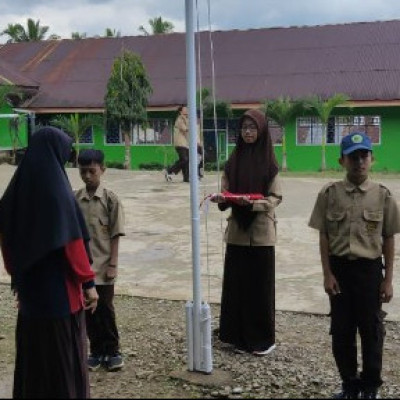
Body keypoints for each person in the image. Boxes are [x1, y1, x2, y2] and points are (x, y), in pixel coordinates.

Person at [0, 126, 99, 399]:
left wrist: (18, 274)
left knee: (35, 357)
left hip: (31, 296)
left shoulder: (14, 193)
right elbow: (73, 245)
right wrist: (89, 283)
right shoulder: (58, 193)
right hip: (60, 296)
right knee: (60, 358)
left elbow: (6, 244)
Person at [308, 132, 400, 399]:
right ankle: (349, 385)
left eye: (364, 156)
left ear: (372, 159)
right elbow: (324, 235)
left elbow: (389, 238)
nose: (359, 161)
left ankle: (371, 387)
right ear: (342, 161)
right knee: (341, 330)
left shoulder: (383, 196)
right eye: (353, 157)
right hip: (339, 272)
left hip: (369, 272)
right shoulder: (329, 194)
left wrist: (388, 279)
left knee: (371, 332)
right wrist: (327, 274)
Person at [211, 109, 282, 356]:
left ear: (261, 131)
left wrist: (253, 204)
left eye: (253, 127)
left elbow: (275, 197)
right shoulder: (233, 161)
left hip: (261, 234)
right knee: (237, 286)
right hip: (237, 234)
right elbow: (225, 190)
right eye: (244, 128)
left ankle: (262, 340)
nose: (248, 132)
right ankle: (236, 337)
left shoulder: (270, 164)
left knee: (259, 288)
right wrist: (223, 198)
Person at [75, 149, 126, 372]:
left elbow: (116, 234)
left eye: (92, 171)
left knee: (105, 308)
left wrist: (113, 264)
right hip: (83, 268)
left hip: (104, 265)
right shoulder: (75, 199)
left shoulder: (110, 199)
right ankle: (96, 351)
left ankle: (113, 351)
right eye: (83, 171)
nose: (87, 176)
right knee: (88, 310)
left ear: (102, 170)